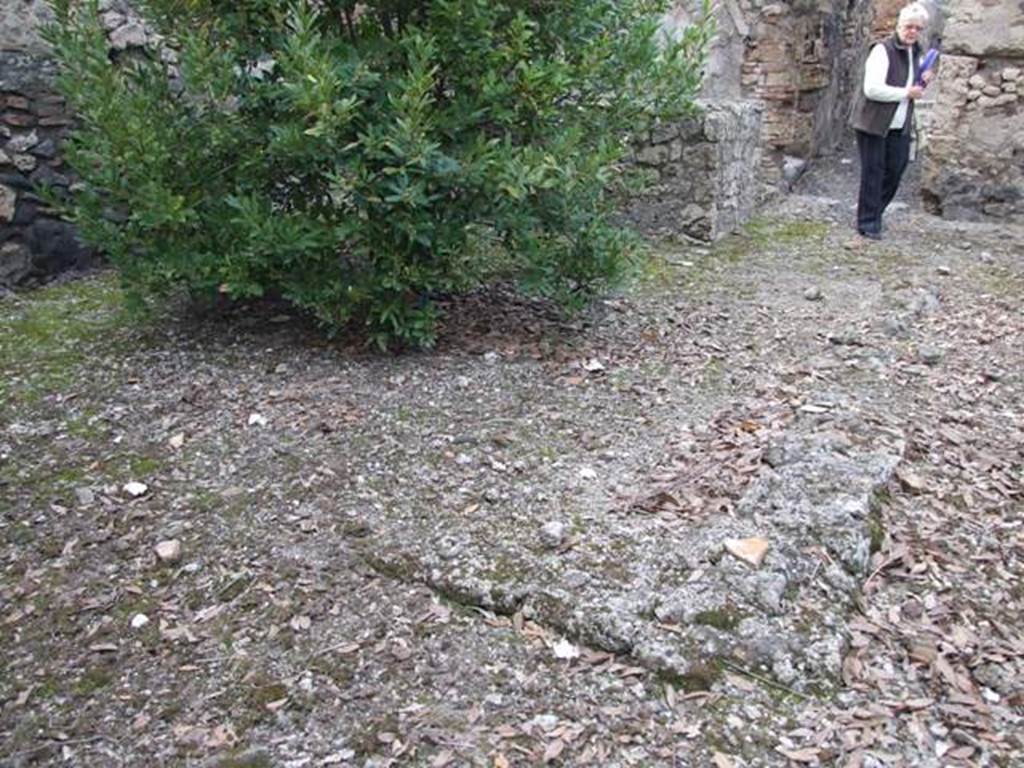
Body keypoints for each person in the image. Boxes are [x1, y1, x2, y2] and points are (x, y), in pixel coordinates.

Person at [850, 3, 934, 240]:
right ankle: (868, 223)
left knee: (896, 170)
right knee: (873, 172)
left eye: (918, 28)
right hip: (873, 123)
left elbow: (913, 86)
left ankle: (874, 212)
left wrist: (923, 81)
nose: (912, 32)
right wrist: (907, 92)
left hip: (900, 123)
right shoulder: (882, 50)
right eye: (909, 26)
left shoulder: (917, 51)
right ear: (899, 25)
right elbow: (872, 89)